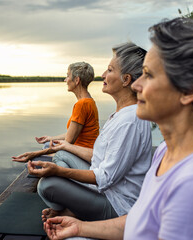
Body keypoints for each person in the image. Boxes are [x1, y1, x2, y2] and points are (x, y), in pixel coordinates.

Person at [43, 17, 193, 240]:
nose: (135, 85)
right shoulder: (166, 151)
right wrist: (80, 228)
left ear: (188, 91)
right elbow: (141, 218)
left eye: (149, 75)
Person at [28, 42, 152, 221]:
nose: (102, 75)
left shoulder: (128, 122)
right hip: (106, 188)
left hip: (117, 205)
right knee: (63, 155)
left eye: (109, 70)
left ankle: (73, 211)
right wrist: (65, 146)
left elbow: (105, 178)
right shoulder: (120, 114)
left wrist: (58, 172)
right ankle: (74, 207)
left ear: (126, 80)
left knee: (47, 185)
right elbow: (100, 158)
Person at [12, 62, 100, 162]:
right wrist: (50, 138)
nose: (65, 80)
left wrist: (33, 154)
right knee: (46, 144)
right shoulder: (89, 101)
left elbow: (67, 143)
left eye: (67, 76)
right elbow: (71, 135)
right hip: (83, 151)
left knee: (35, 159)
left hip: (82, 155)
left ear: (76, 80)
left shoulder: (82, 104)